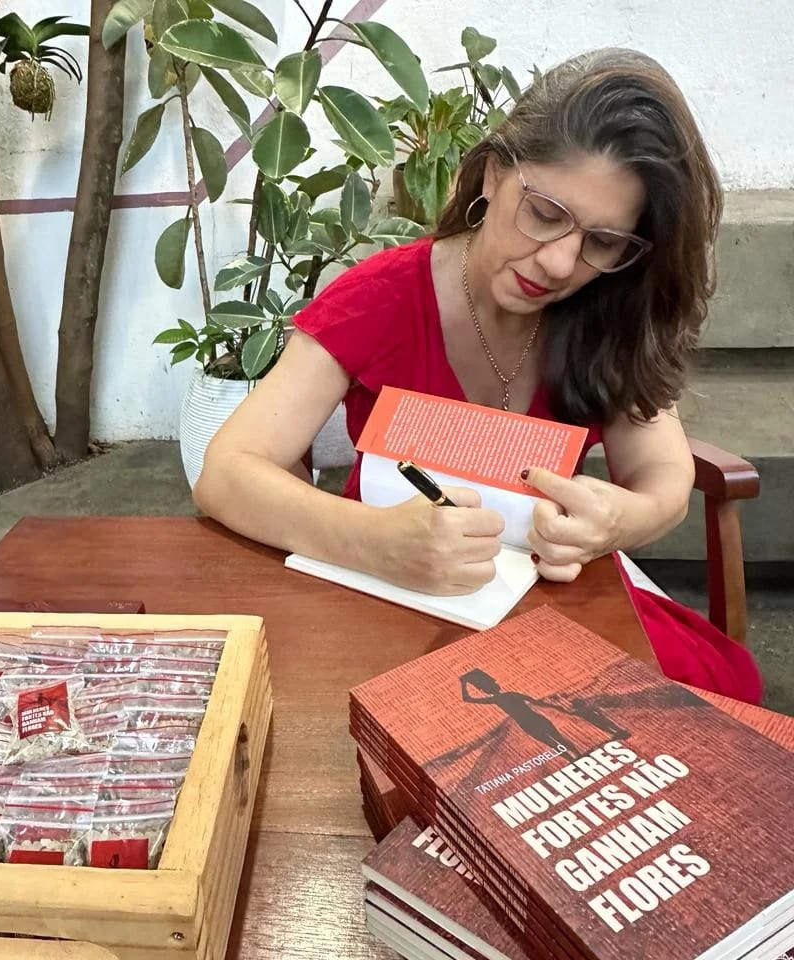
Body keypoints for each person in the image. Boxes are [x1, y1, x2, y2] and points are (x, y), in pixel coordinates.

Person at [193, 48, 762, 705]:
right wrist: (373, 542)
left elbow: (663, 475)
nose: (557, 262)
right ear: (492, 174)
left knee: (713, 707)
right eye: (545, 212)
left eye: (602, 242)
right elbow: (228, 470)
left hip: (557, 613)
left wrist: (617, 519)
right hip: (394, 601)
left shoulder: (607, 316)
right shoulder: (380, 299)